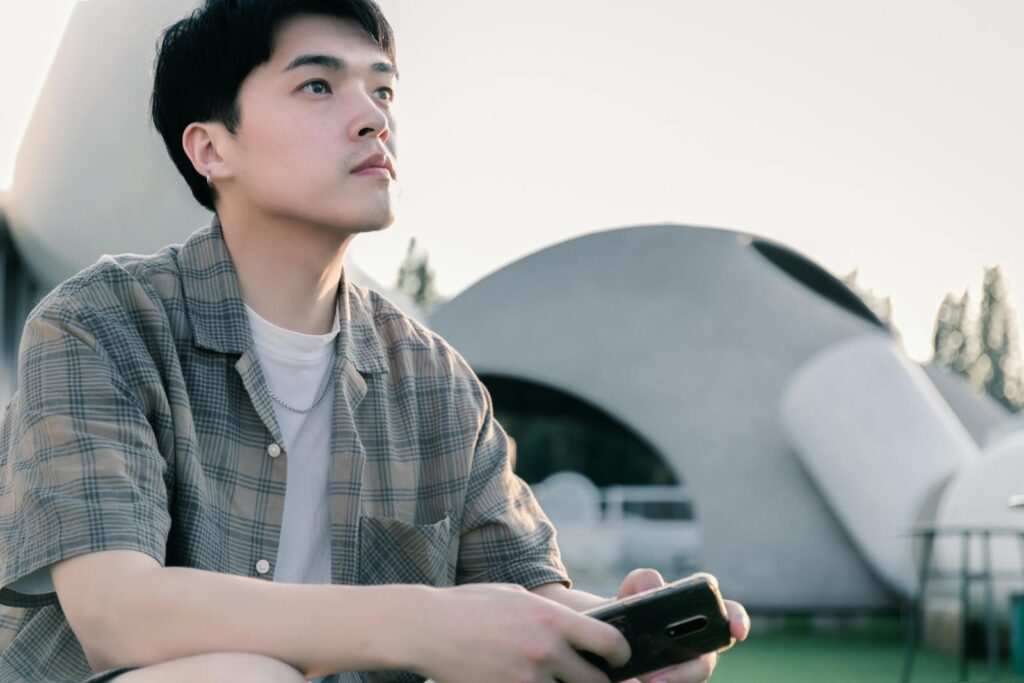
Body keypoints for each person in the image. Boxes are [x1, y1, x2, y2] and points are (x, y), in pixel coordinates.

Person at [0, 1, 749, 681]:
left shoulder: (434, 379)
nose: (373, 118)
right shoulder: (98, 323)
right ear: (211, 150)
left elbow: (527, 597)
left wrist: (619, 634)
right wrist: (421, 622)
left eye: (383, 90)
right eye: (319, 87)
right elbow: (118, 615)